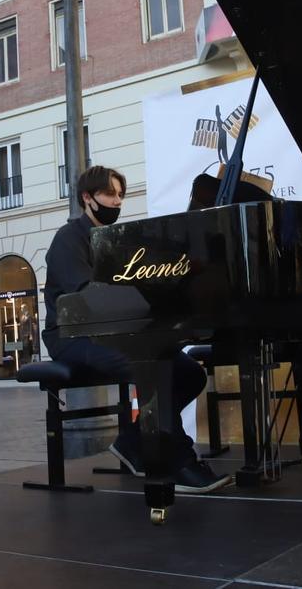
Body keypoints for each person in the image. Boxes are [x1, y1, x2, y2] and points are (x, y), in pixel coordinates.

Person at [42, 165, 231, 494]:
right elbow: (86, 295)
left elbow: (136, 287)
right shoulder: (68, 239)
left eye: (120, 195)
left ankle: (132, 440)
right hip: (73, 337)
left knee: (190, 374)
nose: (116, 202)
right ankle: (176, 462)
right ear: (87, 198)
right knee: (155, 371)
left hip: (119, 333)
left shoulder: (118, 241)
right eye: (109, 194)